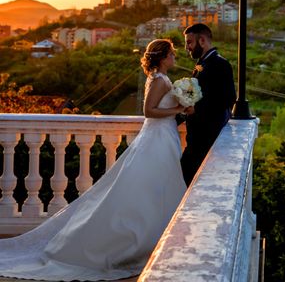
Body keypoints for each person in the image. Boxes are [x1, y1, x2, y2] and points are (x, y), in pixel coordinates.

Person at [0, 39, 188, 281]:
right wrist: (178, 110)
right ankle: (136, 244)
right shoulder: (160, 80)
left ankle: (157, 240)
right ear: (163, 57)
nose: (175, 57)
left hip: (164, 137)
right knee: (147, 190)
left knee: (155, 190)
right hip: (157, 138)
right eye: (172, 54)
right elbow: (149, 112)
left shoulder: (160, 78)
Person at [180, 23, 236, 186]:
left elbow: (228, 98)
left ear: (202, 41)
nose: (187, 47)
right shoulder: (202, 64)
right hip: (197, 138)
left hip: (208, 138)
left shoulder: (220, 64)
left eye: (189, 42)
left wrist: (196, 109)